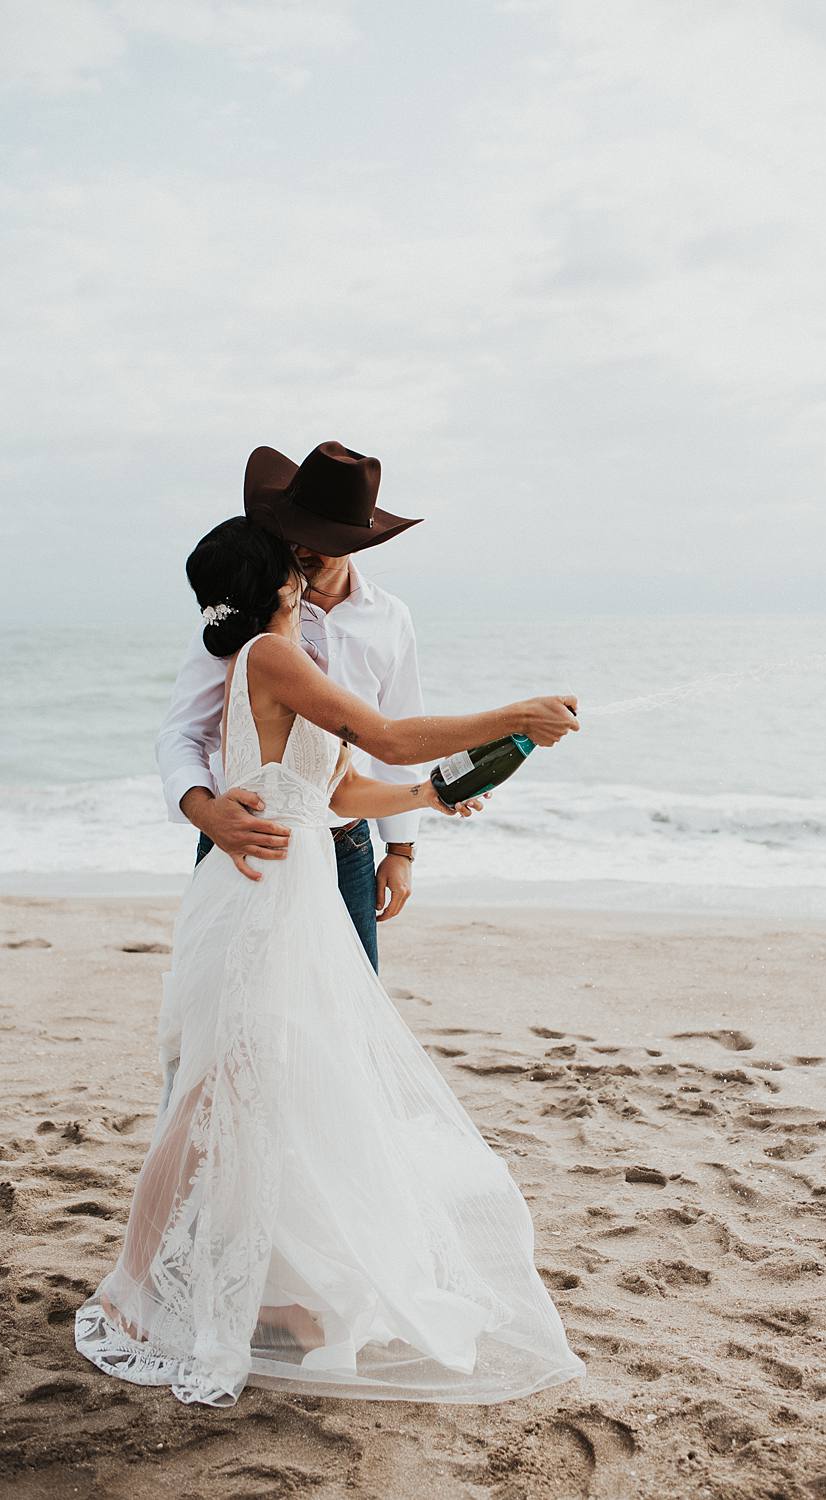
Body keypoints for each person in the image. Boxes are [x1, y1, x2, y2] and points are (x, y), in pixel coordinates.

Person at [75, 514, 584, 1407]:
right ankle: (131, 1293)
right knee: (208, 1096)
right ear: (279, 580)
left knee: (277, 1089)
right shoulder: (270, 659)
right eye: (293, 558)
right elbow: (383, 732)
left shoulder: (275, 663)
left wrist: (436, 792)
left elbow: (344, 785)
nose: (307, 565)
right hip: (260, 904)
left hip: (296, 893)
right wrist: (513, 711)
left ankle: (255, 1288)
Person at [156, 441, 427, 980]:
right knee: (227, 995)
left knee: (348, 1001)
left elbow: (399, 733)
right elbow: (183, 733)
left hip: (344, 838)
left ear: (356, 541)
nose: (304, 548)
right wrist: (207, 813)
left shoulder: (390, 619)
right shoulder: (246, 606)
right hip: (247, 834)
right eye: (297, 532)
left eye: (323, 540)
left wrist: (401, 850)